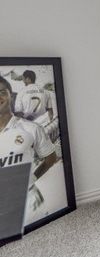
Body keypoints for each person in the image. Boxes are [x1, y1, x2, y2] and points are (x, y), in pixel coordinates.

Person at [0, 76, 59, 220]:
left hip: (28, 201)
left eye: (1, 91)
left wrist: (32, 177)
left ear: (10, 95)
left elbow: (51, 158)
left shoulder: (31, 128)